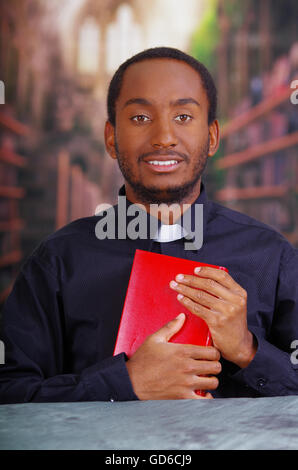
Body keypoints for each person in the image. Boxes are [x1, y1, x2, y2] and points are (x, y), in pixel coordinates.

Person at [1, 47, 298, 404]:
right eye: (140, 118)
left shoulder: (272, 257)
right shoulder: (57, 261)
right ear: (111, 138)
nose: (163, 138)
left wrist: (248, 350)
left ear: (213, 137)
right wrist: (123, 383)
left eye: (184, 116)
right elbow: (8, 392)